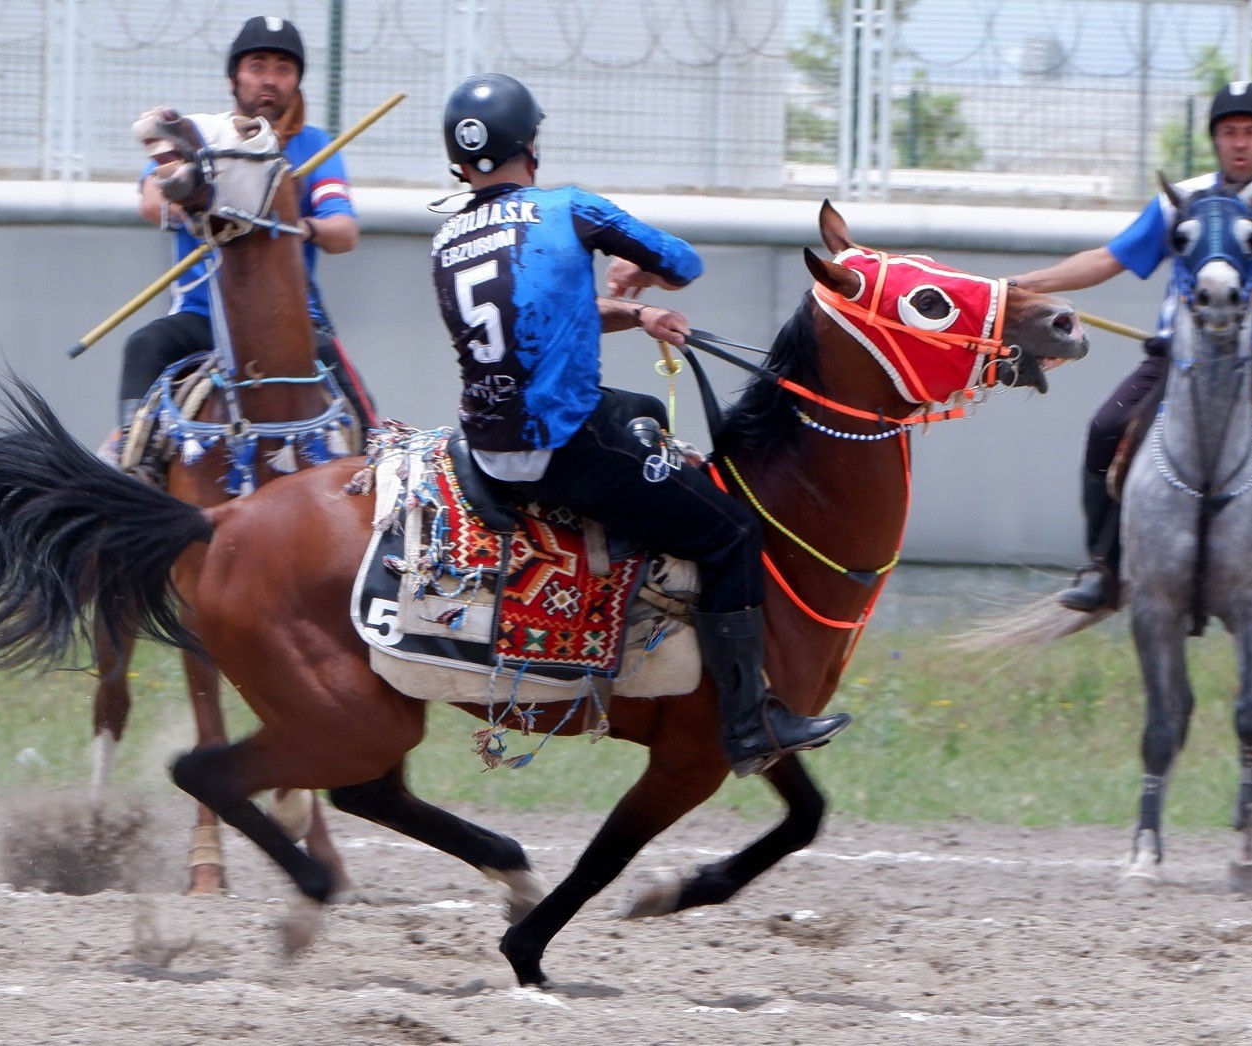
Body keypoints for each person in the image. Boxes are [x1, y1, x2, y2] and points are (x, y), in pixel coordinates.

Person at [429, 72, 850, 776]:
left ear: (461, 162)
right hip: (564, 447)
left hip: (489, 449)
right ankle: (750, 725)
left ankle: (627, 554)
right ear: (531, 146)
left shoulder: (446, 238)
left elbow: (534, 318)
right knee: (731, 532)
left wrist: (633, 314)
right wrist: (638, 276)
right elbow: (683, 263)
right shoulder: (569, 208)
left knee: (646, 411)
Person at [1010, 81, 1252, 629]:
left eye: (1251, 132)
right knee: (1105, 427)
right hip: (1177, 361)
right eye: (1229, 132)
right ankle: (1104, 568)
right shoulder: (1180, 200)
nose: (1239, 143)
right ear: (1214, 140)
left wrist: (1235, 292)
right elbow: (1107, 259)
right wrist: (1018, 285)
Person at [117, 14, 377, 440]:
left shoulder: (315, 146)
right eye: (257, 66)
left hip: (288, 322)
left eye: (283, 68)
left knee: (357, 403)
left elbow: (344, 232)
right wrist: (213, 209)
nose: (269, 80)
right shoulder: (204, 135)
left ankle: (374, 466)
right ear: (233, 77)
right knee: (144, 345)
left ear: (297, 81)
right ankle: (130, 463)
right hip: (201, 317)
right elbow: (151, 200)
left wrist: (294, 225)